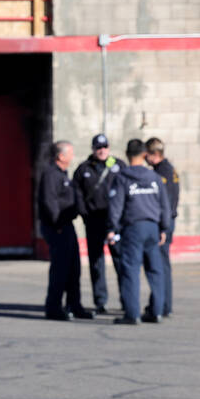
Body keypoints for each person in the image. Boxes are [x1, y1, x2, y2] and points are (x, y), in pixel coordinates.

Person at [105, 139, 172, 325]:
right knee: (155, 270)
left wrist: (111, 229)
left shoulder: (122, 177)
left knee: (130, 270)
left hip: (132, 228)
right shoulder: (154, 178)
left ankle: (132, 314)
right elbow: (164, 205)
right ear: (144, 155)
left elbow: (116, 206)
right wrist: (164, 228)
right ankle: (157, 311)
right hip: (153, 228)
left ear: (127, 154)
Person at [37, 141, 93, 321]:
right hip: (57, 227)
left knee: (73, 268)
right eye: (70, 153)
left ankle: (74, 305)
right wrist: (57, 223)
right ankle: (53, 307)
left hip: (66, 225)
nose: (72, 157)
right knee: (60, 269)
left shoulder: (62, 173)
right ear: (61, 156)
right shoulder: (51, 174)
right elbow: (49, 201)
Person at [73, 133, 126, 314]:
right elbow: (77, 194)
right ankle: (100, 301)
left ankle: (127, 300)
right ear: (93, 149)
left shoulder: (118, 165)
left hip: (114, 223)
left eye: (104, 147)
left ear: (109, 148)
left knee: (120, 261)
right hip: (93, 221)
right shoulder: (84, 169)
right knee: (96, 262)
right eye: (98, 148)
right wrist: (84, 214)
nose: (101, 151)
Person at [145, 137, 180, 317]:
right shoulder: (169, 169)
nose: (144, 157)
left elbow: (164, 204)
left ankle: (161, 305)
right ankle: (162, 303)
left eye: (147, 153)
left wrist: (162, 228)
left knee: (158, 265)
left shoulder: (162, 173)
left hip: (164, 223)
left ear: (155, 154)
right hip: (168, 222)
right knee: (162, 264)